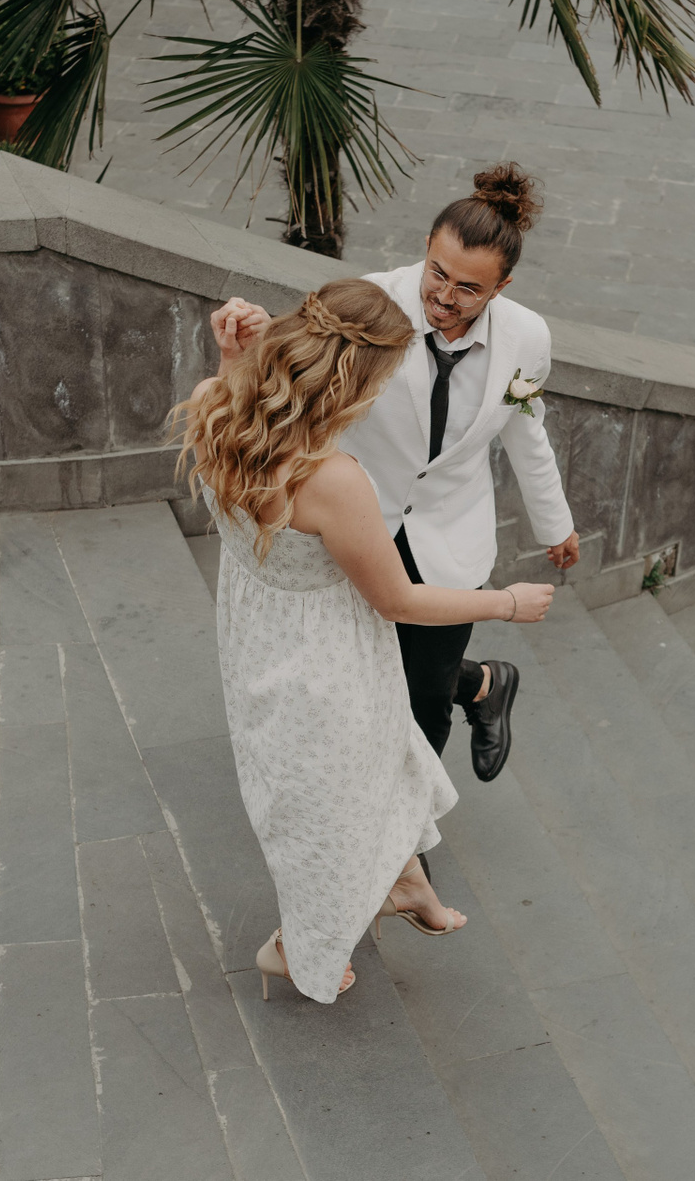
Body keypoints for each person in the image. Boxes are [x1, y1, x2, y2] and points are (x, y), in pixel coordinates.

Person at [176, 278, 557, 1004]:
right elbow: (397, 598)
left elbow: (234, 408)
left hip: (257, 634)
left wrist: (231, 364)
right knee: (328, 804)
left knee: (378, 759)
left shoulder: (213, 403)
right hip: (324, 656)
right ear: (354, 382)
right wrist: (505, 603)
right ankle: (298, 949)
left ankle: (405, 882)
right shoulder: (332, 480)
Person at [209, 163, 578, 785]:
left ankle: (411, 816)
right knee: (356, 668)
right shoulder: (368, 304)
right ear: (426, 248)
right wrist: (250, 342)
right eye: (438, 272)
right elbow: (296, 372)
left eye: (469, 288)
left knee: (424, 695)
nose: (445, 296)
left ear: (502, 286)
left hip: (450, 532)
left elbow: (524, 426)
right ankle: (480, 683)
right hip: (357, 519)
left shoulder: (527, 338)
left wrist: (555, 524)